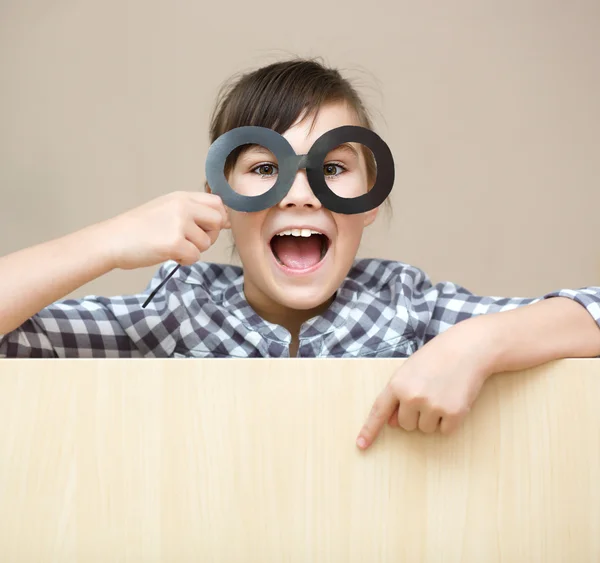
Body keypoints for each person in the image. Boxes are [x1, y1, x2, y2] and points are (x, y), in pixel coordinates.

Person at [1, 58, 599, 449]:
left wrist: (478, 343)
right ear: (222, 199)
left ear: (368, 200)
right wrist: (106, 241)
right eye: (265, 169)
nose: (300, 193)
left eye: (333, 168)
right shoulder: (172, 314)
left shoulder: (407, 308)